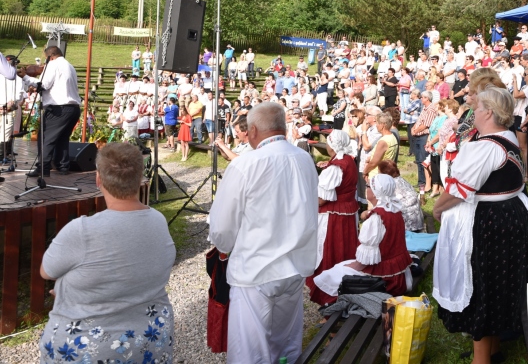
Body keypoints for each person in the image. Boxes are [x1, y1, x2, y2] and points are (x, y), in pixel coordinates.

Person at [38, 143, 175, 364]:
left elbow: (47, 272)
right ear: (140, 177)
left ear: (98, 179)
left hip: (90, 348)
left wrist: (69, 291)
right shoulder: (158, 220)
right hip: (151, 340)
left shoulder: (81, 230)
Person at [433, 87, 528, 364]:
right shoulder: (507, 138)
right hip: (511, 217)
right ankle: (493, 351)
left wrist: (437, 208)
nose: (474, 111)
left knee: (483, 287)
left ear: (489, 111)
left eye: (478, 107)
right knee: (497, 286)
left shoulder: (486, 146)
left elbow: (458, 189)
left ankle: (481, 359)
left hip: (493, 223)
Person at [208, 103, 318, 364]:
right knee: (285, 341)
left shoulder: (246, 165)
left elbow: (222, 226)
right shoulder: (304, 158)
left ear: (253, 130)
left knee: (250, 349)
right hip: (294, 264)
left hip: (255, 268)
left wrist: (224, 247)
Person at [312, 174, 414, 301]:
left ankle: (331, 312)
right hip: (399, 274)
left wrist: (348, 267)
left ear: (376, 192)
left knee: (329, 275)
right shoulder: (394, 210)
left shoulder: (377, 218)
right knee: (343, 265)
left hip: (384, 278)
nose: (366, 188)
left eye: (368, 186)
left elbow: (364, 262)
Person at [307, 130, 360, 306]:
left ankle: (327, 293)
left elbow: (322, 199)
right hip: (347, 213)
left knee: (330, 251)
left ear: (331, 145)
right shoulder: (348, 160)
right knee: (345, 250)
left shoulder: (337, 166)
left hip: (333, 217)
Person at [28, 46, 81, 177]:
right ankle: (62, 166)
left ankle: (43, 168)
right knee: (62, 138)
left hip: (59, 108)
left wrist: (26, 78)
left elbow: (44, 84)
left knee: (46, 138)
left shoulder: (53, 64)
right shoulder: (70, 66)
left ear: (50, 57)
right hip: (73, 108)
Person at [410, 91, 438, 190]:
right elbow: (419, 121)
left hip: (423, 136)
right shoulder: (424, 108)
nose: (421, 99)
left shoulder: (431, 109)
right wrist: (413, 128)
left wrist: (416, 130)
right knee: (418, 160)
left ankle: (426, 182)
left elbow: (426, 124)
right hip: (418, 136)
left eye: (422, 97)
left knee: (423, 160)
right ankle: (421, 181)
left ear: (427, 98)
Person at [363, 113, 399, 179]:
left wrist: (365, 172)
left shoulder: (383, 141)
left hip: (376, 176)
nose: (376, 125)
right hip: (386, 174)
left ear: (382, 125)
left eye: (377, 123)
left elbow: (374, 163)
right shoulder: (392, 137)